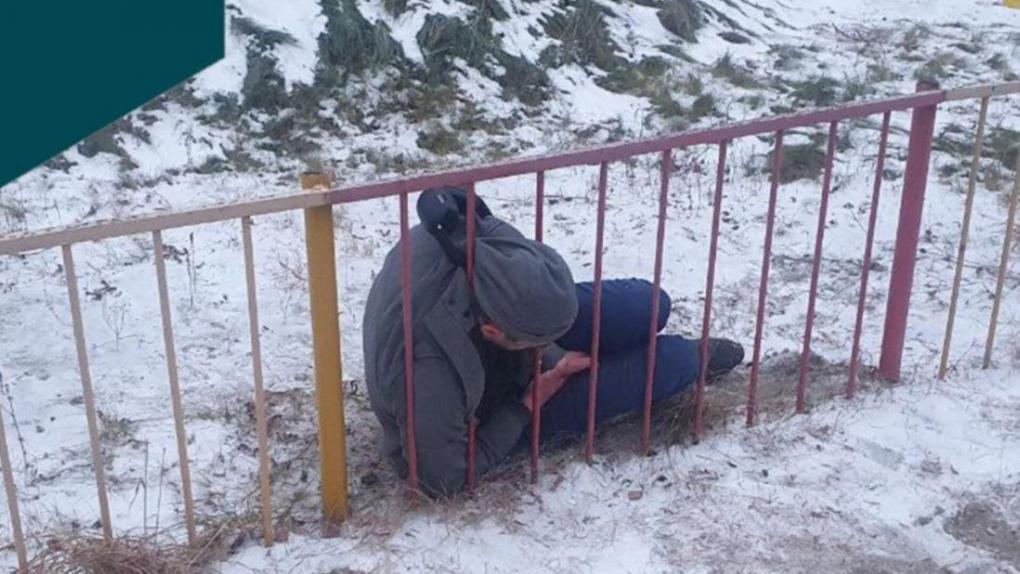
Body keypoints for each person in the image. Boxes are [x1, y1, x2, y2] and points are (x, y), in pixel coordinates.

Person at [363, 187, 743, 497]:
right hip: (489, 404)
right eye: (537, 342)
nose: (546, 346)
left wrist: (553, 353)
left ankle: (593, 353)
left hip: (493, 325)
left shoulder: (467, 237)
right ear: (494, 332)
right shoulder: (430, 375)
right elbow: (443, 481)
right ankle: (684, 361)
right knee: (673, 362)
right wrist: (534, 397)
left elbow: (518, 285)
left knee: (650, 304)